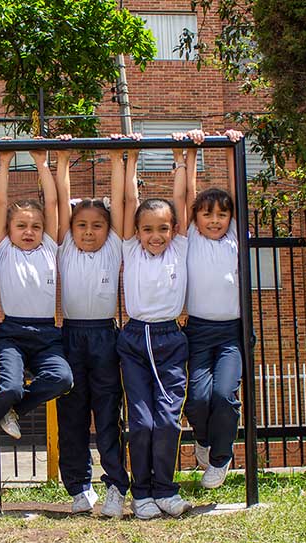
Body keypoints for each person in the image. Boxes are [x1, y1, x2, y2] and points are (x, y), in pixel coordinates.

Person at [0, 142, 74, 462]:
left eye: (35, 226)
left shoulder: (50, 247)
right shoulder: (3, 249)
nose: (29, 231)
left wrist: (41, 163)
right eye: (21, 226)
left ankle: (11, 411)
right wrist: (5, 163)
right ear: (8, 230)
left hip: (47, 335)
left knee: (62, 379)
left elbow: (52, 202)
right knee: (8, 386)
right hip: (13, 333)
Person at [54, 134, 137, 517]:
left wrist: (123, 159)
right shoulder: (65, 247)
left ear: (108, 229)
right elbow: (57, 200)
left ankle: (116, 486)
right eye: (82, 225)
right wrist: (63, 160)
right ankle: (78, 487)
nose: (89, 231)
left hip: (105, 336)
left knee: (107, 413)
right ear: (71, 229)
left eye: (97, 225)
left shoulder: (114, 248)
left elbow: (123, 203)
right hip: (70, 336)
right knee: (72, 416)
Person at [116, 135, 196, 519]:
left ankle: (165, 489)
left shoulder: (180, 246)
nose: (155, 236)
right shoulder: (130, 248)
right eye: (147, 229)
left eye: (162, 228)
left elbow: (184, 200)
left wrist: (186, 157)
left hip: (169, 338)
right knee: (141, 421)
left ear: (173, 229)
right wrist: (128, 158)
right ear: (137, 231)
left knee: (166, 419)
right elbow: (128, 202)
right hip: (133, 339)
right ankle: (141, 492)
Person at [180, 128, 246, 489]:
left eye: (222, 214)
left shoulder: (235, 235)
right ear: (197, 218)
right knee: (197, 399)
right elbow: (188, 195)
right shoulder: (190, 237)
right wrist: (191, 152)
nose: (216, 220)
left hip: (230, 334)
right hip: (199, 331)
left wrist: (233, 149)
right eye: (208, 215)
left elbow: (239, 194)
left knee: (224, 395)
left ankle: (220, 458)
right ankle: (203, 441)